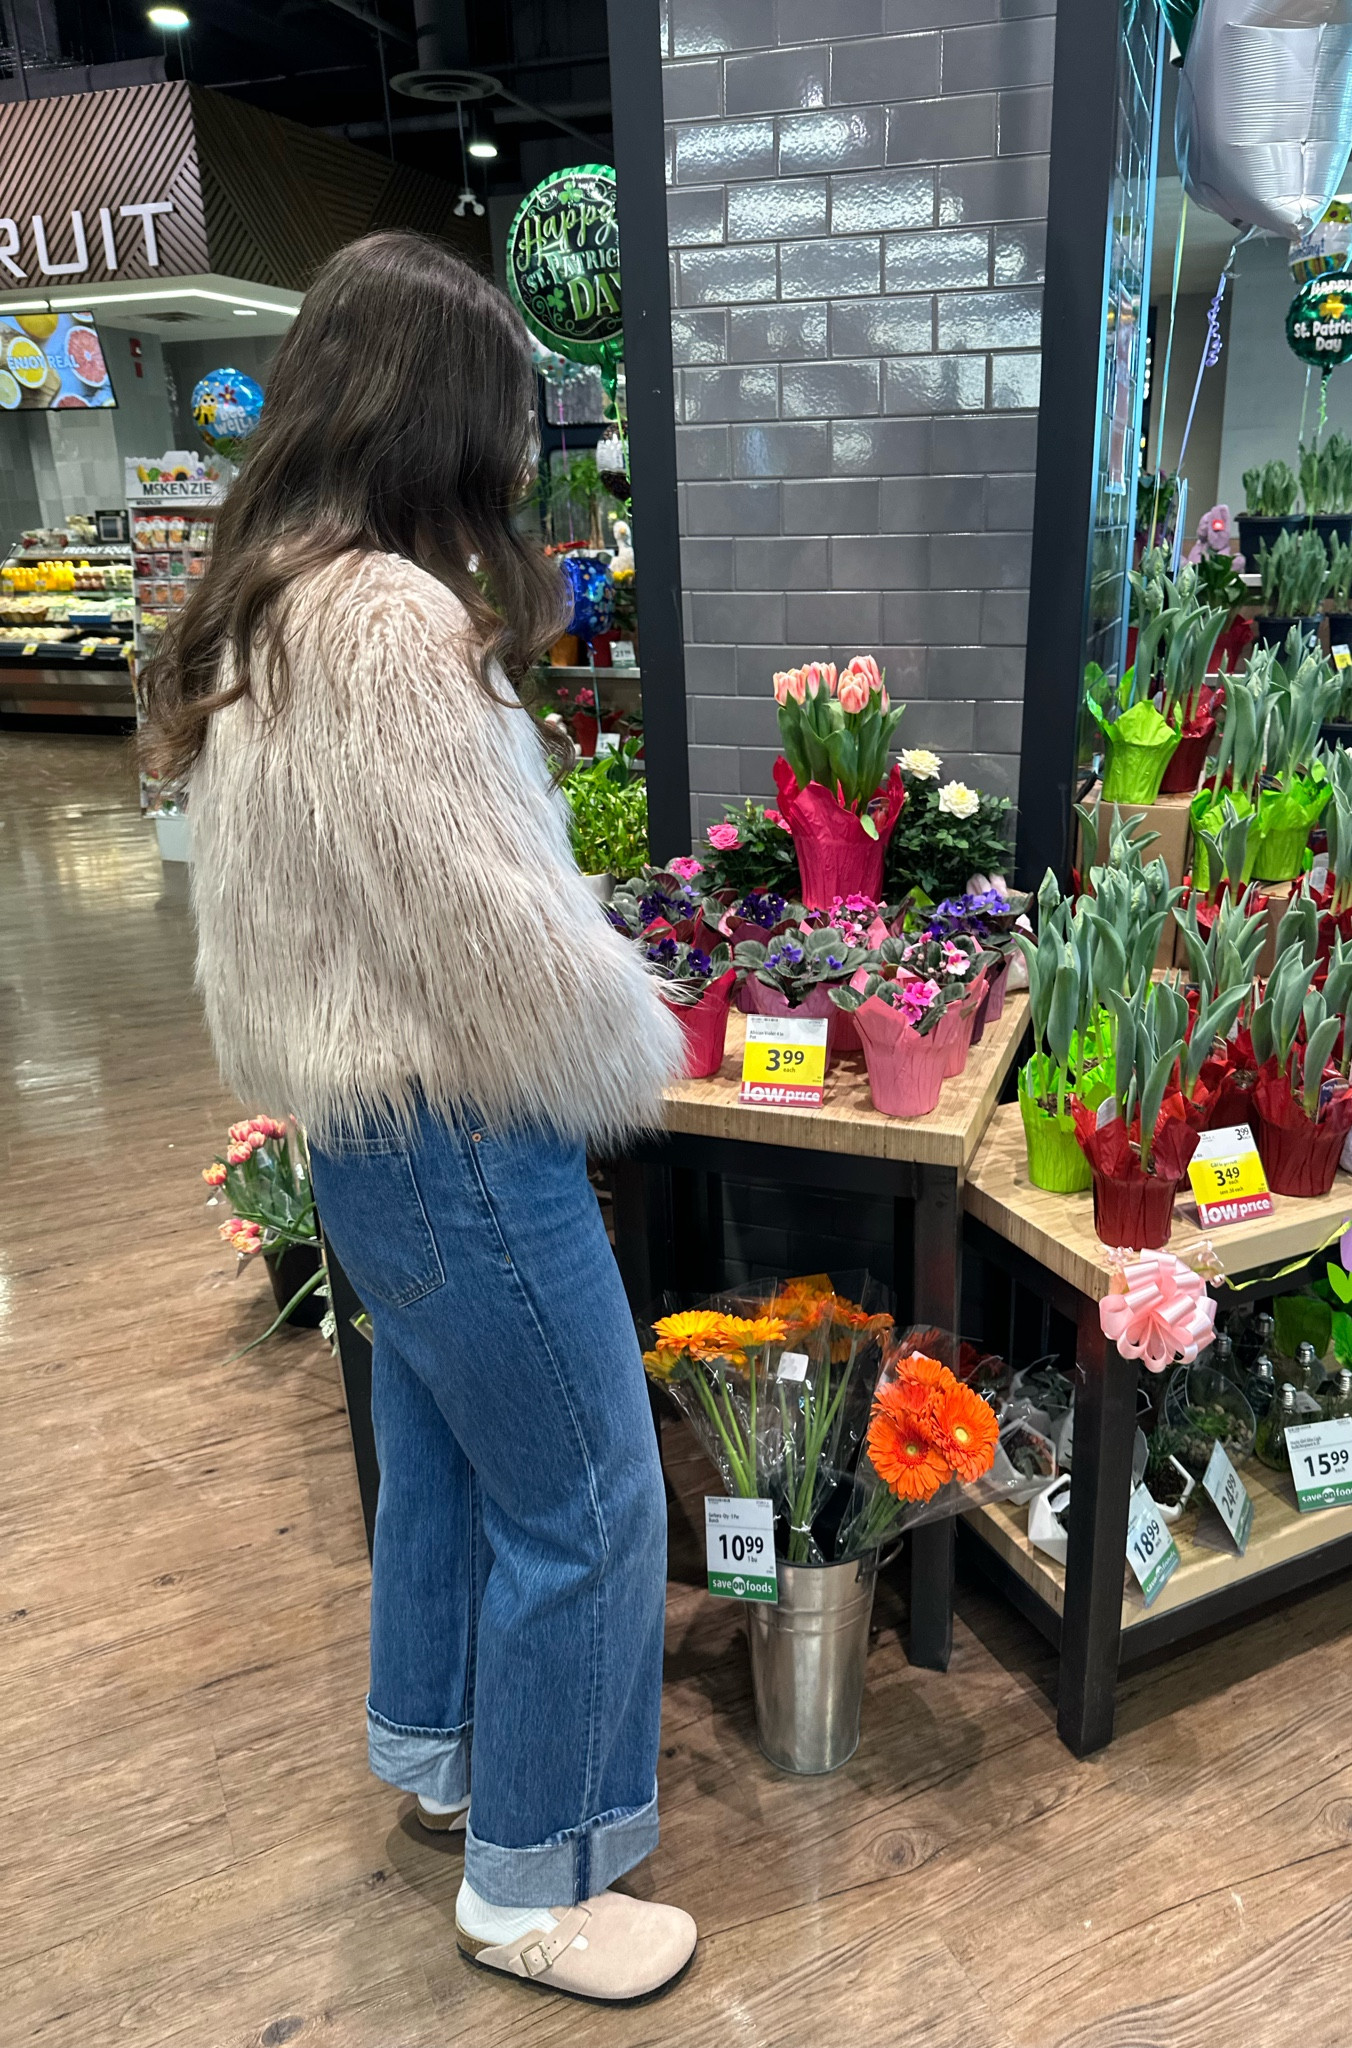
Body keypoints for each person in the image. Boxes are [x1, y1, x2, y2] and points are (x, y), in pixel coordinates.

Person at [139, 231, 694, 2003]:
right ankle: (539, 1883)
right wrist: (640, 1032)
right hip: (458, 1126)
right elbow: (491, 927)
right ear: (446, 413)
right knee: (593, 1492)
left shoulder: (273, 603)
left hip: (359, 1125)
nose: (522, 448)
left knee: (455, 1458)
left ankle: (449, 1756)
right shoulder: (387, 621)